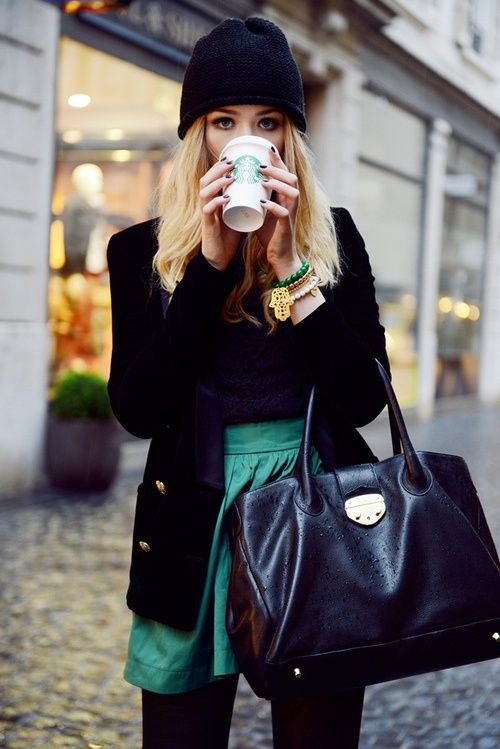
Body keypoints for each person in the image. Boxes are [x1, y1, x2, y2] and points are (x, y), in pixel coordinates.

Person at [107, 16, 390, 749]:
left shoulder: (337, 239)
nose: (245, 139)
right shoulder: (140, 251)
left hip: (314, 509)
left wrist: (294, 268)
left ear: (289, 139)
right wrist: (209, 263)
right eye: (223, 120)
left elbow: (365, 399)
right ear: (195, 134)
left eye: (267, 121)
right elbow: (138, 408)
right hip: (190, 522)